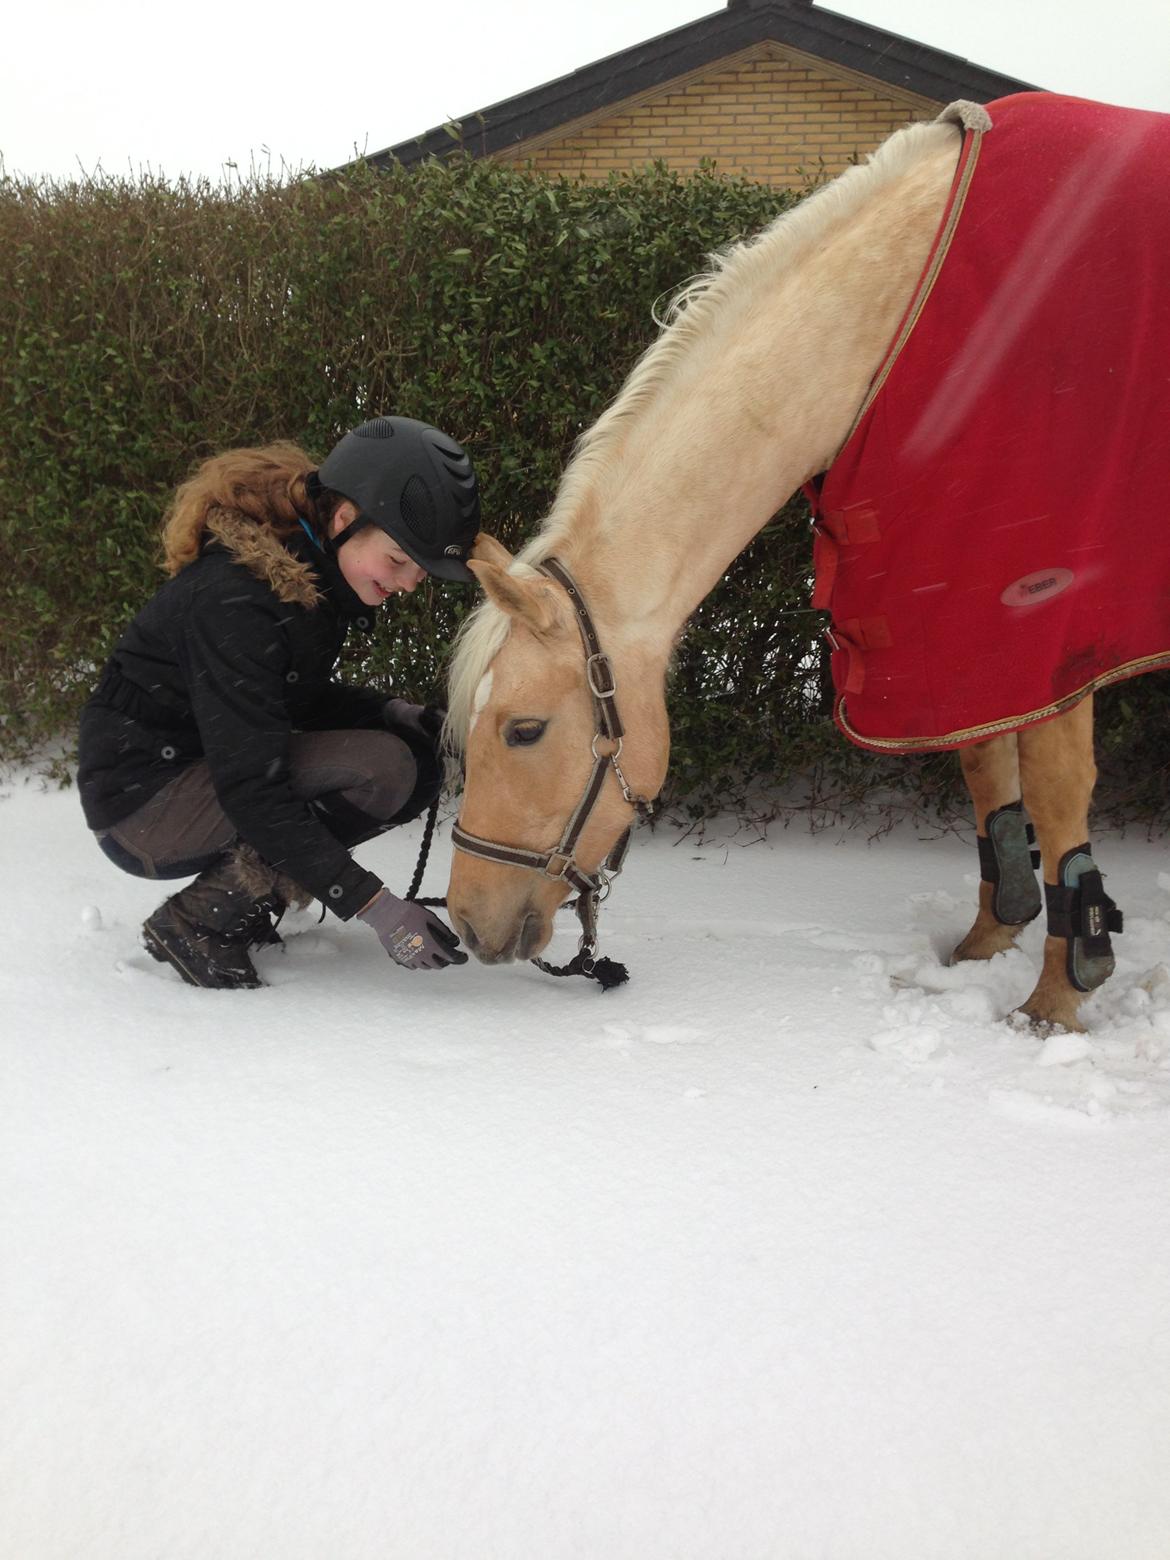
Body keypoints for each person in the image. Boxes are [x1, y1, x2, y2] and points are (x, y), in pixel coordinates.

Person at [77, 416, 477, 989]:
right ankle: (198, 924)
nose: (410, 583)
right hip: (142, 805)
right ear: (344, 520)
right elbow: (252, 787)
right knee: (384, 769)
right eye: (398, 560)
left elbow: (283, 701)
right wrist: (375, 907)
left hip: (198, 768)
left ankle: (241, 904)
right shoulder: (236, 600)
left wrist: (394, 711)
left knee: (412, 757)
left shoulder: (305, 581)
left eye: (419, 570)